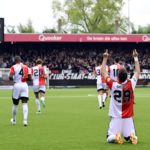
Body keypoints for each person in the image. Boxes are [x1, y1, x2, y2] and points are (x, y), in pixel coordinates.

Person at [101, 49, 140, 144]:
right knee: (130, 135)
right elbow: (137, 72)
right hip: (128, 118)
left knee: (109, 138)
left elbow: (103, 72)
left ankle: (115, 136)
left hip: (116, 117)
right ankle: (131, 136)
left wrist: (105, 58)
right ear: (127, 76)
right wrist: (135, 57)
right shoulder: (131, 83)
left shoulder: (113, 85)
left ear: (118, 77)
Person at [9, 56, 31, 126]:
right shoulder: (26, 67)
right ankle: (25, 121)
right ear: (21, 60)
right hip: (24, 85)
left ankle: (14, 120)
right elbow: (30, 78)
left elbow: (10, 77)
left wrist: (14, 79)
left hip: (17, 85)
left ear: (15, 61)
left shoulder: (13, 67)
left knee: (15, 104)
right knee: (24, 103)